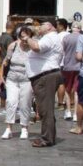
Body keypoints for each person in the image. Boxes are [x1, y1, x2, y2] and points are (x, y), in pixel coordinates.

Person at [25, 18, 63, 148]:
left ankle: (47, 138)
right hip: (45, 76)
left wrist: (27, 38)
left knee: (45, 109)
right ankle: (49, 135)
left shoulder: (50, 37)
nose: (39, 27)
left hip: (45, 76)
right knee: (45, 108)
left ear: (50, 26)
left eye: (41, 24)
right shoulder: (50, 37)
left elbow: (37, 47)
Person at [2, 25, 33, 139]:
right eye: (22, 38)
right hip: (12, 78)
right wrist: (1, 76)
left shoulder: (32, 48)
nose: (24, 41)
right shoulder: (13, 46)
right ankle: (8, 128)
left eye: (27, 38)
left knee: (25, 103)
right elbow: (6, 60)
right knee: (11, 101)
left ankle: (24, 127)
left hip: (26, 79)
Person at [58, 18, 80, 121]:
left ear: (71, 28)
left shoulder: (66, 38)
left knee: (67, 89)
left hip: (67, 66)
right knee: (76, 91)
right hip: (79, 67)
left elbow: (61, 52)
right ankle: (75, 113)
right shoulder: (82, 38)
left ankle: (68, 112)